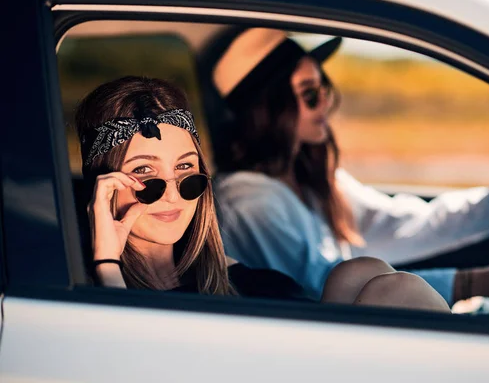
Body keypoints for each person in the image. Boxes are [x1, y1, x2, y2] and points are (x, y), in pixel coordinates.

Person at [211, 28, 489, 305]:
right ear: (267, 111)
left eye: (323, 88)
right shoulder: (250, 201)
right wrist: (471, 283)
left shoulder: (310, 179)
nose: (326, 103)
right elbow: (321, 288)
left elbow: (415, 222)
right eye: (310, 95)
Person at [75, 75, 450, 312]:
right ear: (103, 186)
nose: (173, 194)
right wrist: (107, 264)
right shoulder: (77, 292)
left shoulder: (231, 277)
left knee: (359, 273)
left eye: (186, 171)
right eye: (145, 173)